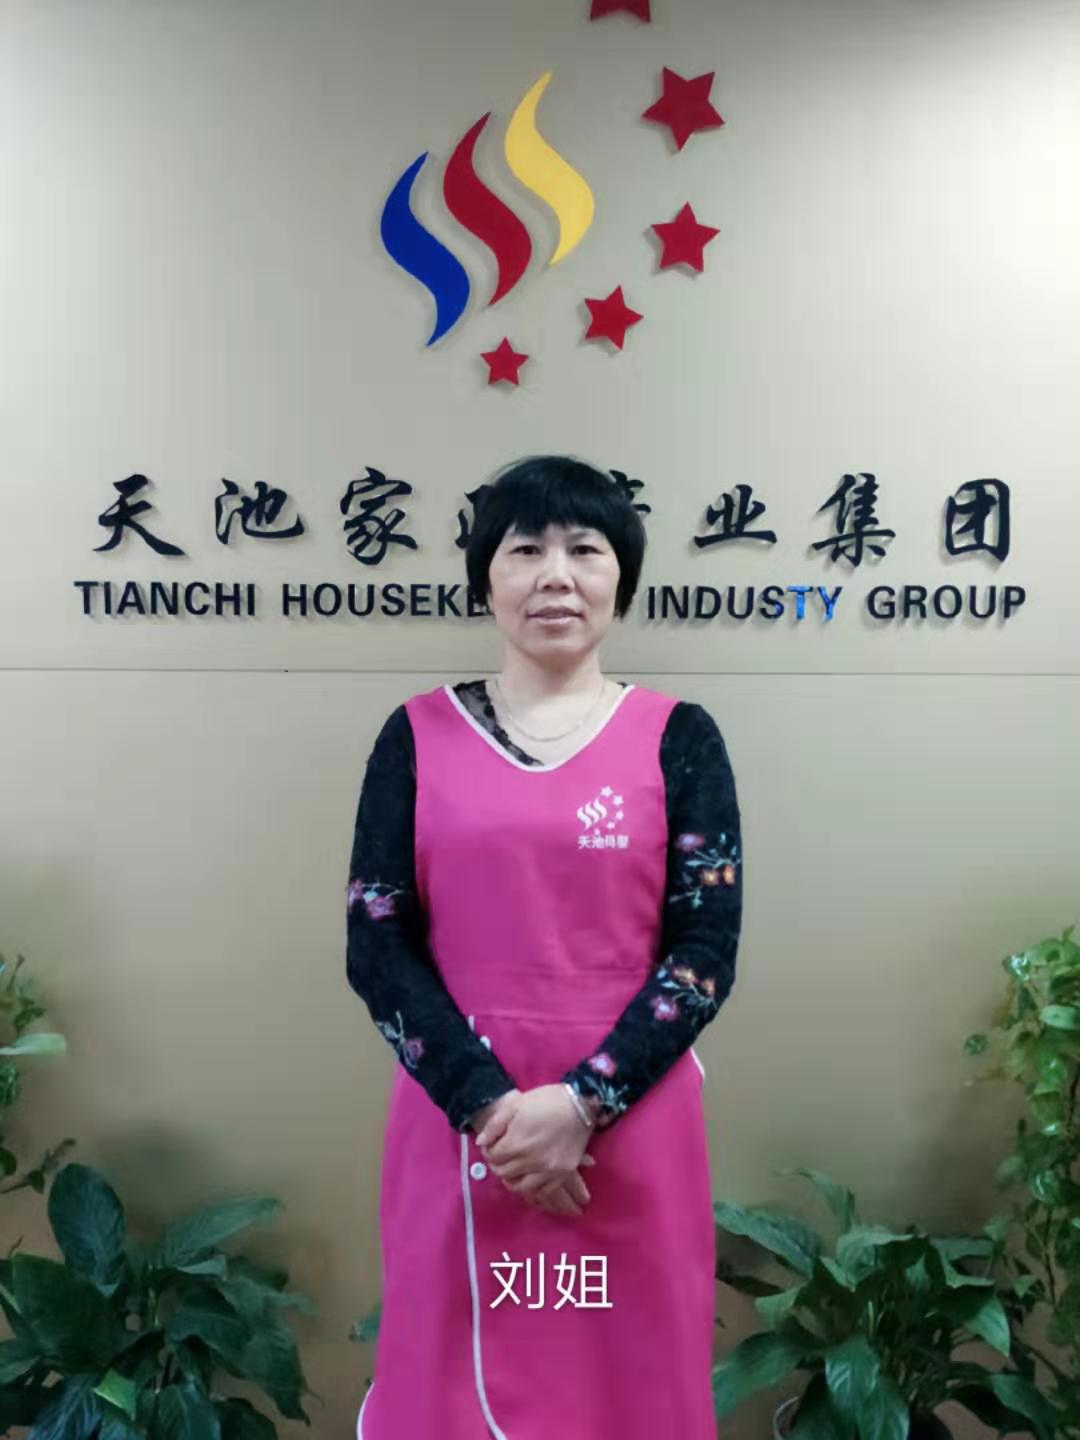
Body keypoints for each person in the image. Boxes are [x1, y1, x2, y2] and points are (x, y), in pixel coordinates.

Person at [346, 454, 743, 1440]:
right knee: (446, 1379)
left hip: (629, 1124)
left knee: (631, 1382)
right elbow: (377, 943)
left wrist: (581, 1104)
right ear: (486, 577)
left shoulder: (679, 738)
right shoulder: (416, 735)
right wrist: (495, 1112)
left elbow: (704, 949)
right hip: (461, 1120)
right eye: (525, 550)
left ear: (621, 576)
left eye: (584, 550)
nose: (555, 576)